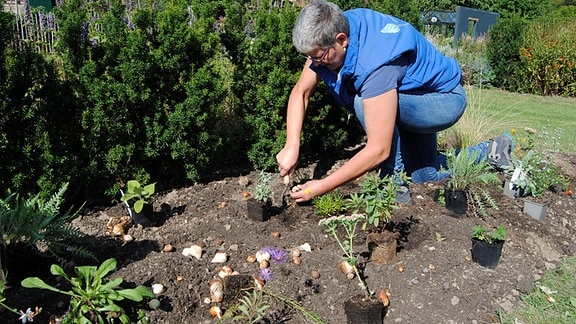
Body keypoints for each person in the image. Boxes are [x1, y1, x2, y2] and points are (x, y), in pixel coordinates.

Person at [276, 0, 512, 203]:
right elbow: (301, 93)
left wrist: (321, 186)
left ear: (341, 39)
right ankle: (491, 151)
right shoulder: (335, 30)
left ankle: (393, 184)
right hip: (413, 96)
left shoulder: (375, 64)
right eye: (308, 57)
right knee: (424, 175)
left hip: (442, 101)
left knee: (364, 103)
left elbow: (378, 149)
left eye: (318, 57)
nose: (313, 64)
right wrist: (291, 145)